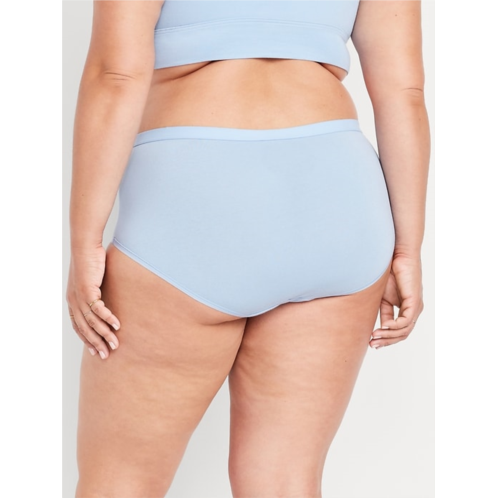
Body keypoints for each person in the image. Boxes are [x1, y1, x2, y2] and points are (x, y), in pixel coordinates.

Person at [66, 0, 431, 496]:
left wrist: (84, 241)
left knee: (122, 480)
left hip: (198, 190)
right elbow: (404, 94)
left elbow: (116, 75)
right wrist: (407, 248)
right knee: (283, 481)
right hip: (338, 194)